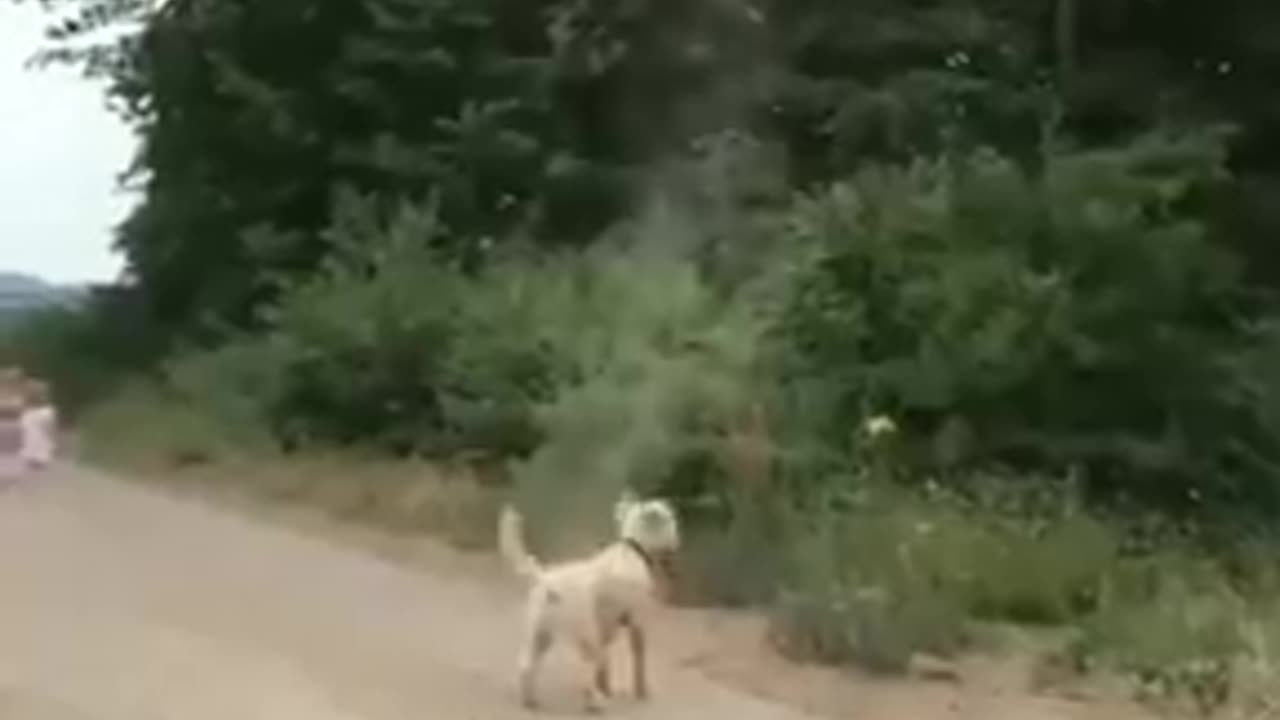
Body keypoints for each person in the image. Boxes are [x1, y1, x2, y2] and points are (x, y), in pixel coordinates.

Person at [20, 378, 57, 472]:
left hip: (33, 453)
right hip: (36, 453)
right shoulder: (47, 412)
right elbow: (51, 430)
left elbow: (50, 430)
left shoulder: (27, 412)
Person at [0, 366, 25, 485]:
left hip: (13, 425)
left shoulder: (17, 395)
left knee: (11, 450)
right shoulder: (15, 395)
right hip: (10, 424)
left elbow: (19, 409)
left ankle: (9, 476)